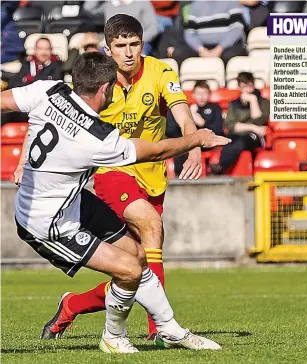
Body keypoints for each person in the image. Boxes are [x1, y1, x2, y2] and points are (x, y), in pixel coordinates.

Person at [3, 52, 227, 353]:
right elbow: (158, 151)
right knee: (129, 270)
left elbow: (4, 101)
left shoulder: (50, 89)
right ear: (106, 89)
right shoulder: (97, 138)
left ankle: (170, 329)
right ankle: (113, 337)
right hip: (47, 224)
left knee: (137, 253)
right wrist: (196, 139)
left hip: (69, 200)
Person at [25, 14, 204, 342]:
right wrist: (27, 160)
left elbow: (183, 114)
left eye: (134, 44)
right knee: (151, 225)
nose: (128, 52)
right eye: (120, 46)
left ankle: (73, 304)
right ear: (108, 49)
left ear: (142, 43)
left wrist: (193, 147)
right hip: (113, 173)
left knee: (135, 265)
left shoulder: (162, 72)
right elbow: (48, 116)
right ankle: (160, 331)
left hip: (153, 176)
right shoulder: (97, 85)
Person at [209, 72, 269, 175]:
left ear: (253, 85)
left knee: (243, 140)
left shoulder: (263, 102)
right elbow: (231, 126)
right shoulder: (234, 104)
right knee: (229, 140)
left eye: (250, 86)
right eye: (244, 86)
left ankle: (221, 167)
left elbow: (260, 121)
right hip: (242, 134)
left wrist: (253, 101)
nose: (248, 90)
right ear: (240, 87)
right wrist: (253, 128)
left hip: (256, 138)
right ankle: (221, 168)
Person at [167, 80, 224, 176]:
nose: (201, 96)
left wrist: (202, 122)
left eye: (204, 93)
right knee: (181, 144)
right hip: (189, 143)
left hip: (208, 143)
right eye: (198, 93)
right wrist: (189, 116)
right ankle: (180, 175)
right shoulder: (186, 109)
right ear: (193, 95)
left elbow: (218, 130)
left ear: (209, 94)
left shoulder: (215, 108)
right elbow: (172, 129)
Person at [169, 0, 248, 66]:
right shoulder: (195, 5)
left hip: (226, 47)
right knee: (178, 54)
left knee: (232, 56)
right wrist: (201, 49)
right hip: (202, 48)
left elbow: (237, 30)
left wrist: (219, 49)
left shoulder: (231, 2)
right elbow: (189, 34)